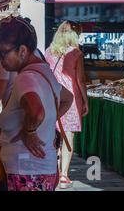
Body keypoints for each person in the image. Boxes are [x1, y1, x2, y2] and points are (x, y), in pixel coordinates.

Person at [0, 15, 73, 191]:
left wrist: (30, 131)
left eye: (3, 53)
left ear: (22, 51)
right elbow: (68, 98)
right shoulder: (44, 71)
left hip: (26, 171)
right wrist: (46, 121)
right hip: (41, 168)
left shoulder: (26, 78)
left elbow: (37, 112)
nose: (0, 60)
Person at [45, 20, 89, 189]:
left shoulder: (48, 52)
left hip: (53, 97)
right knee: (68, 136)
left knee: (52, 136)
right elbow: (80, 79)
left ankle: (53, 173)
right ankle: (64, 176)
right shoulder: (76, 53)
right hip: (71, 98)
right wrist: (86, 100)